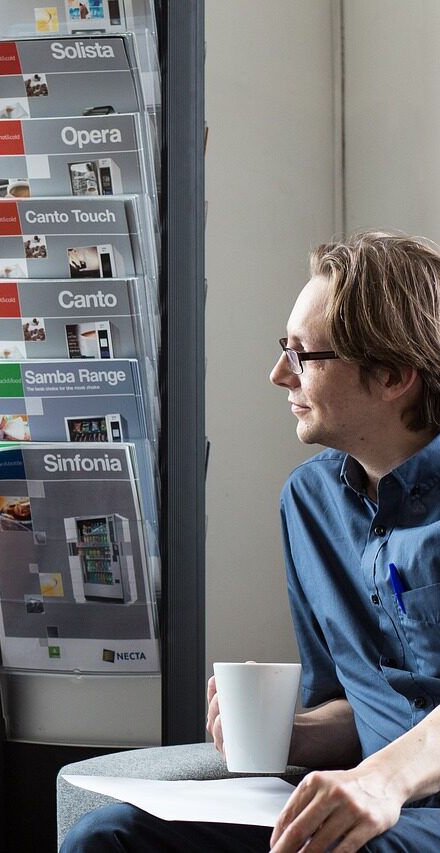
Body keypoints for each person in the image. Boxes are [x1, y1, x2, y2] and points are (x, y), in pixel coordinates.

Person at [62, 231, 440, 852]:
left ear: (394, 374)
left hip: (404, 812)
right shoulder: (310, 503)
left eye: (303, 355)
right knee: (109, 838)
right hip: (377, 807)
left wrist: (381, 781)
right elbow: (357, 699)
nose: (277, 374)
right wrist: (292, 734)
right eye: (281, 349)